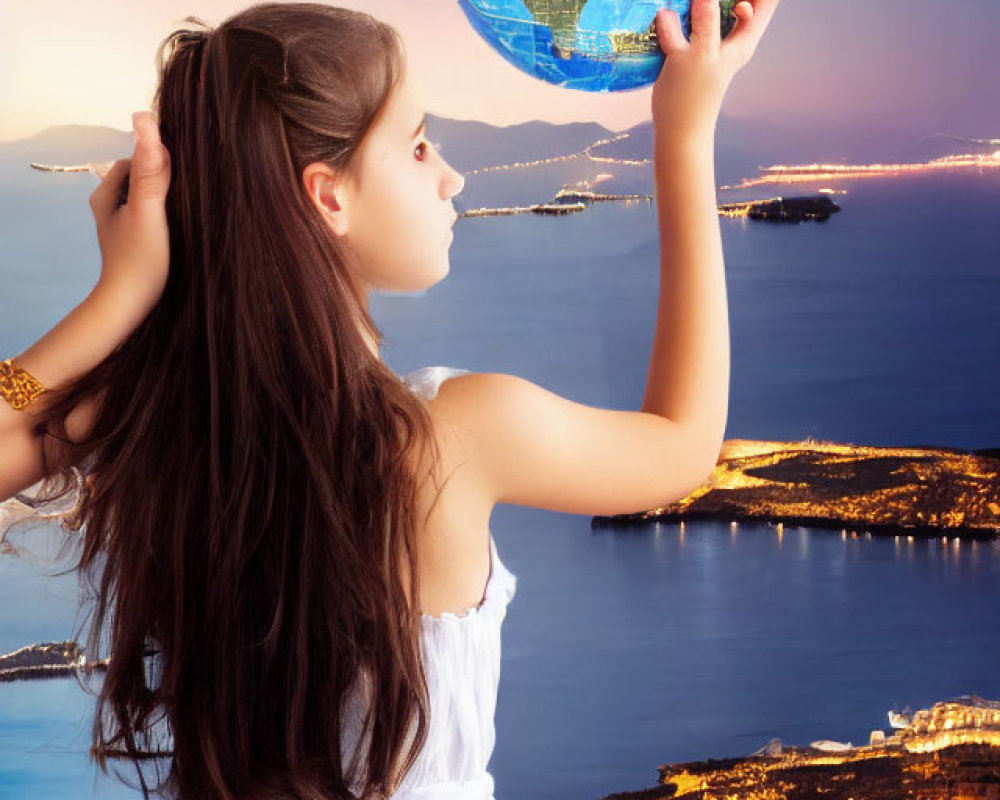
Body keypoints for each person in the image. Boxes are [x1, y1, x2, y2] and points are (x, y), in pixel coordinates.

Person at [0, 1, 781, 797]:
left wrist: (120, 296)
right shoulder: (451, 438)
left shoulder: (169, 419)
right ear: (327, 196)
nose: (451, 174)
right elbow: (682, 444)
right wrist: (685, 136)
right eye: (416, 147)